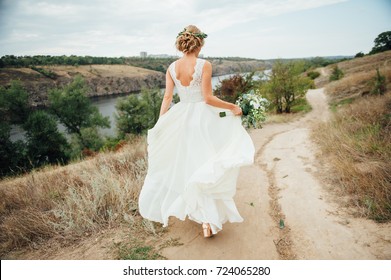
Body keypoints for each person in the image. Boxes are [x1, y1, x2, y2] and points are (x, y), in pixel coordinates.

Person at [138, 25, 255, 238]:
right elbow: (208, 98)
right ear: (199, 43)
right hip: (203, 119)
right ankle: (207, 221)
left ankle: (201, 215)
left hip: (181, 118)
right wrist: (233, 107)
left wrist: (160, 123)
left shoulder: (172, 67)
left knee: (190, 166)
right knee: (206, 166)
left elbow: (167, 98)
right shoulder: (204, 65)